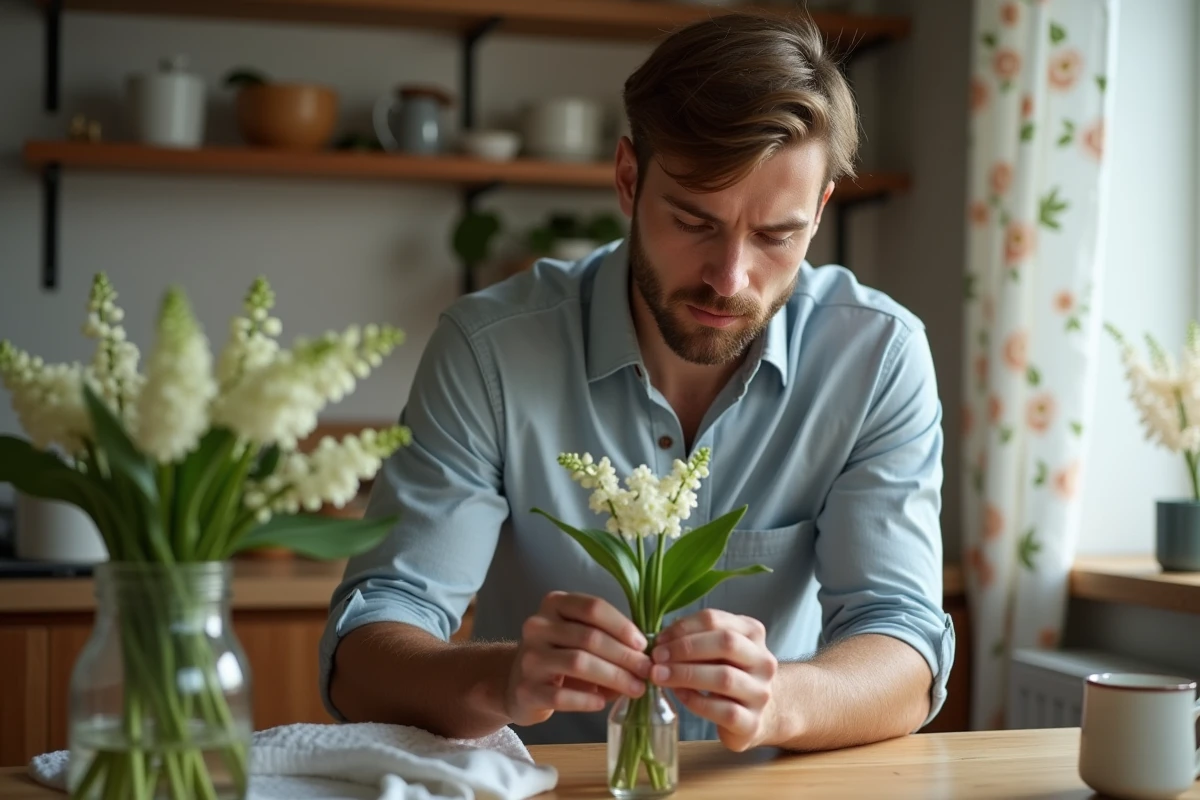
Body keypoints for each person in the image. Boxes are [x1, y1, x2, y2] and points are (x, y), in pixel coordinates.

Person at [319, 11, 954, 752]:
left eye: (776, 235)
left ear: (818, 213)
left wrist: (778, 700)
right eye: (694, 221)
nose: (729, 278)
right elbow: (361, 655)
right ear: (628, 179)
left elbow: (905, 649)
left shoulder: (877, 357)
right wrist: (505, 679)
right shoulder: (489, 352)